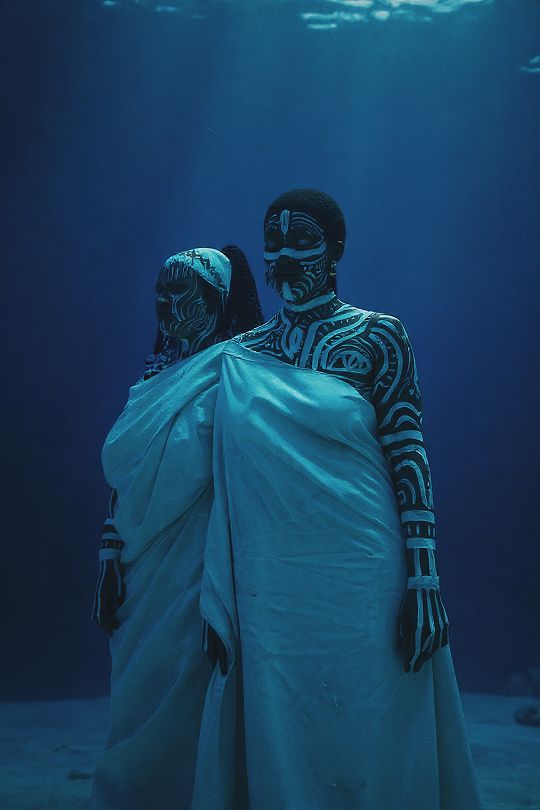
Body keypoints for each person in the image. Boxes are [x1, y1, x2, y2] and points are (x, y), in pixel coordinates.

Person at [195, 191, 482, 809]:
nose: (283, 260)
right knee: (281, 720)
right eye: (273, 245)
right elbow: (205, 466)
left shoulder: (380, 336)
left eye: (303, 244)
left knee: (370, 715)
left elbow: (408, 451)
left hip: (362, 566)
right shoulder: (243, 355)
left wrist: (425, 580)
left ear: (337, 252)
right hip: (269, 580)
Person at [90, 246, 263, 810]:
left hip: (200, 566)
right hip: (141, 569)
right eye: (160, 292)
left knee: (193, 696)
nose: (165, 303)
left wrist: (229, 587)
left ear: (216, 300)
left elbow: (243, 486)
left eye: (180, 291)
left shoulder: (238, 372)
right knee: (137, 695)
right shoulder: (153, 377)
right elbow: (125, 479)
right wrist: (108, 557)